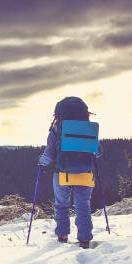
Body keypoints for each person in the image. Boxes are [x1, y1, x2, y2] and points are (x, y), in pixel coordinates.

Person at [38, 97, 100, 249]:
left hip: (62, 173)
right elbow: (98, 152)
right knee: (83, 206)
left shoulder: (57, 128)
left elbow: (49, 153)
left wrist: (41, 162)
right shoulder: (89, 128)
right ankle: (85, 239)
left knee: (62, 205)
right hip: (85, 173)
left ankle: (62, 235)